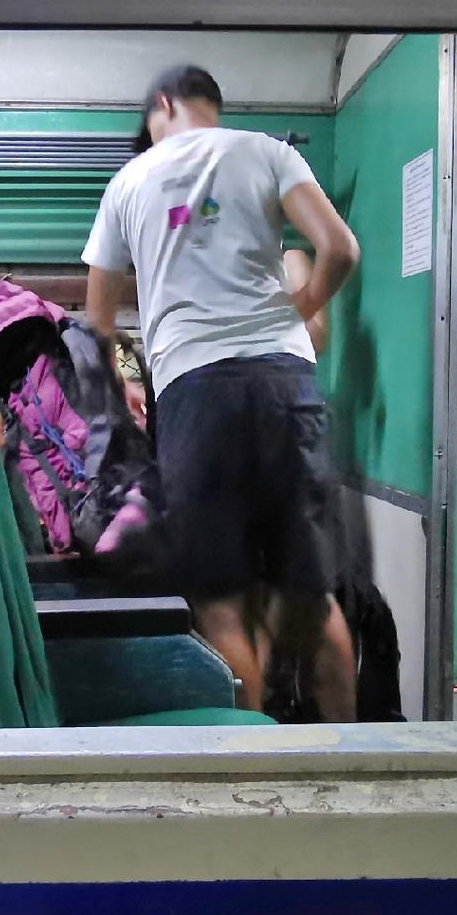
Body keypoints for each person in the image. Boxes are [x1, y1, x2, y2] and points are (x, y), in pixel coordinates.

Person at [82, 65, 361, 720]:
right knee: (311, 597)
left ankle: (247, 761)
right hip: (286, 384)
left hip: (195, 392)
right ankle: (354, 756)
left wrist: (127, 378)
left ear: (162, 103)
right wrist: (296, 311)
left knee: (220, 605)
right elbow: (340, 250)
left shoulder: (128, 181)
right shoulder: (267, 152)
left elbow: (99, 324)